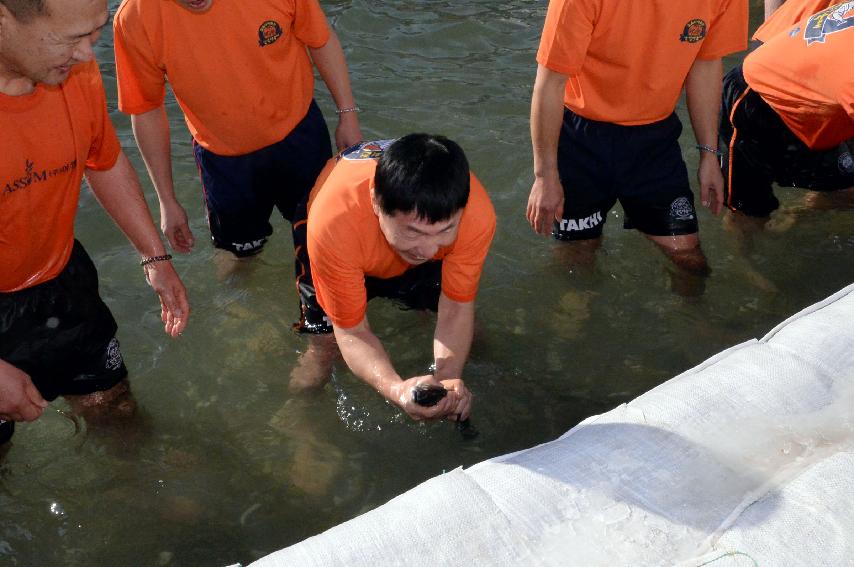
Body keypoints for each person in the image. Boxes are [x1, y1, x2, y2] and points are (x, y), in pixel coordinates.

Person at [0, 0, 190, 445]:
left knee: (116, 411)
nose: (89, 54)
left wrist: (154, 257)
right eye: (71, 38)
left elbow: (102, 158)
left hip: (62, 278)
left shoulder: (72, 72)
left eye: (97, 32)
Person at [112, 0, 362, 287]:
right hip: (223, 160)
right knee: (238, 259)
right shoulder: (135, 17)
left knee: (326, 237)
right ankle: (243, 320)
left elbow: (320, 38)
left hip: (301, 138)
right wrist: (166, 200)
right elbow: (145, 109)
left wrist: (348, 115)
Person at [526, 0, 748, 277]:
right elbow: (550, 82)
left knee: (689, 260)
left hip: (655, 140)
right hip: (581, 138)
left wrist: (709, 155)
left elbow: (706, 64)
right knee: (576, 258)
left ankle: (698, 320)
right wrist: (545, 176)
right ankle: (573, 314)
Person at [292, 135, 496, 422]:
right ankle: (298, 414)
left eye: (446, 230)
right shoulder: (332, 227)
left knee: (467, 327)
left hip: (397, 226)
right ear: (376, 202)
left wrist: (447, 382)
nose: (429, 251)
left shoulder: (475, 215)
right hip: (342, 232)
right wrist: (396, 389)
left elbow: (456, 307)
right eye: (415, 231)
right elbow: (352, 332)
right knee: (326, 347)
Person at [720, 2, 854, 220]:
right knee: (750, 213)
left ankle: (800, 213)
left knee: (845, 190)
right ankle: (745, 247)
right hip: (756, 100)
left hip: (808, 85)